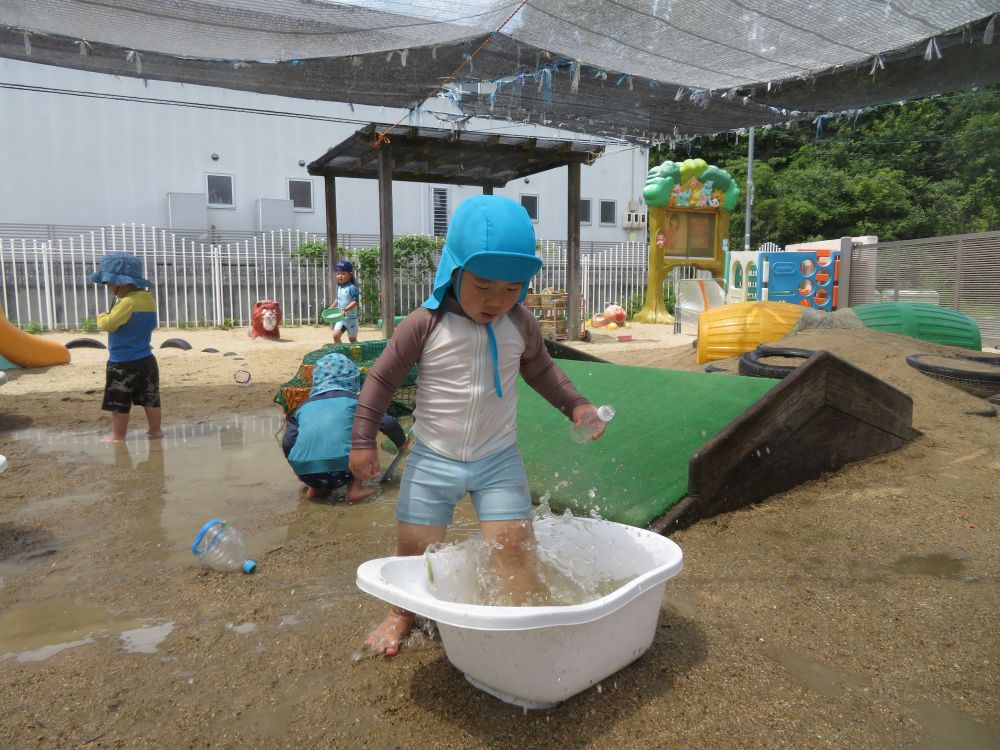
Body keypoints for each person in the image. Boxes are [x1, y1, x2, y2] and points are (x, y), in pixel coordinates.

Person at [349, 195, 606, 656]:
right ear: (455, 270)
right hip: (432, 458)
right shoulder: (424, 323)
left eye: (512, 289)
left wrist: (577, 406)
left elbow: (543, 372)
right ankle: (399, 614)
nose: (496, 301)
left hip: (497, 458)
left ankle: (522, 619)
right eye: (484, 285)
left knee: (514, 547)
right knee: (413, 549)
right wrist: (363, 439)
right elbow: (382, 379)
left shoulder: (521, 324)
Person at [283, 352, 406, 503]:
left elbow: (288, 442)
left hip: (305, 472)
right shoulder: (356, 402)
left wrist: (298, 466)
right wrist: (401, 443)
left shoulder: (301, 408)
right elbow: (388, 423)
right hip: (343, 470)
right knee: (362, 444)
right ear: (352, 380)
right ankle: (355, 489)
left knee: (318, 450)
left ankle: (316, 488)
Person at [88, 252, 163, 443]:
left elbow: (108, 324)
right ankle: (155, 431)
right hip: (146, 359)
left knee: (119, 402)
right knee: (151, 398)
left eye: (108, 283)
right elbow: (151, 324)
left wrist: (101, 315)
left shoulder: (127, 303)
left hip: (122, 363)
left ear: (119, 283)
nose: (108, 288)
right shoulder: (148, 300)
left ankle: (118, 435)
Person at [331, 260, 361, 343]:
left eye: (343, 273)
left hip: (351, 319)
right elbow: (338, 299)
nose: (340, 276)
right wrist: (331, 307)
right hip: (341, 318)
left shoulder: (352, 288)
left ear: (350, 275)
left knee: (352, 339)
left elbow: (355, 302)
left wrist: (345, 309)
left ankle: (357, 355)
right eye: (338, 273)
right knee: (335, 336)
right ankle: (341, 354)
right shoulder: (339, 287)